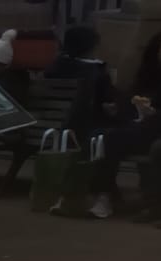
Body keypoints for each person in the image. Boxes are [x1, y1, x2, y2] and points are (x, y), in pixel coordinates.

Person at [49, 24, 124, 217]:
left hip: (55, 131)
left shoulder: (54, 68)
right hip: (85, 130)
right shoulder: (95, 72)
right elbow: (110, 103)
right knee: (104, 139)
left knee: (96, 140)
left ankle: (67, 196)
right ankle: (103, 197)